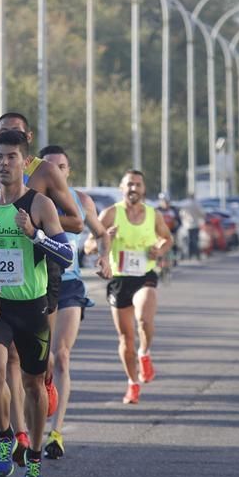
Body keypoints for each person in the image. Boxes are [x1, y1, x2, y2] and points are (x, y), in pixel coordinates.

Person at [0, 113, 83, 467]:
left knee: (33, 383)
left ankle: (34, 454)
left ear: (25, 162)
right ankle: (6, 436)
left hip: (33, 304)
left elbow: (66, 254)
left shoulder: (39, 204)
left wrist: (34, 235)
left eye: (11, 158)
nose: (4, 164)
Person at [37, 146, 107, 460]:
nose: (56, 172)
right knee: (41, 364)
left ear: (68, 171)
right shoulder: (30, 201)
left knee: (61, 355)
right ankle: (44, 394)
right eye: (50, 167)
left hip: (69, 287)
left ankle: (56, 432)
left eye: (62, 167)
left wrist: (103, 257)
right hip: (36, 286)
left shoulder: (81, 201)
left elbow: (101, 232)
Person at [97, 169, 173, 405]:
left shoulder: (153, 215)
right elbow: (90, 243)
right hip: (119, 280)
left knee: (144, 319)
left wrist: (159, 250)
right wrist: (104, 238)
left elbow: (167, 239)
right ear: (122, 188)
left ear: (144, 189)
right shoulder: (110, 213)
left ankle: (145, 354)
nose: (134, 189)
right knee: (126, 339)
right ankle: (132, 383)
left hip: (145, 275)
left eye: (138, 185)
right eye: (130, 184)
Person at [181, 195, 204, 260]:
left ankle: (189, 255)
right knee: (195, 240)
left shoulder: (185, 204)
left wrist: (184, 220)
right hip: (195, 224)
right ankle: (196, 254)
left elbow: (182, 214)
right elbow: (201, 213)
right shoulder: (196, 204)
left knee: (189, 240)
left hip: (187, 225)